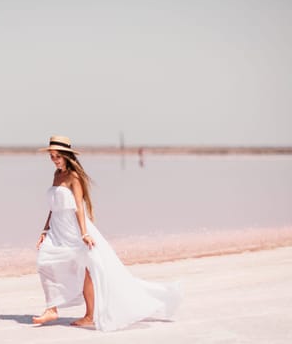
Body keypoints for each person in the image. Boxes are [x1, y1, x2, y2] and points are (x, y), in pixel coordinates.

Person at [33, 135, 181, 332]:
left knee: (88, 270)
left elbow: (79, 206)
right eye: (52, 156)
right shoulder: (56, 175)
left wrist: (84, 234)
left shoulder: (73, 177)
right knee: (44, 261)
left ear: (67, 156)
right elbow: (53, 207)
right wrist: (45, 229)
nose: (54, 159)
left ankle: (89, 315)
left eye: (57, 156)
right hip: (56, 229)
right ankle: (52, 308)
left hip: (73, 228)